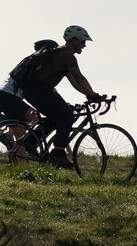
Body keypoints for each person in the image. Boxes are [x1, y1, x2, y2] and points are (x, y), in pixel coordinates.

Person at [18, 25, 100, 170]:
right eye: (82, 41)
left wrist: (90, 95)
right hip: (39, 90)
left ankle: (30, 141)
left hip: (33, 90)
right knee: (66, 115)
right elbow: (80, 78)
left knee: (57, 116)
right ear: (73, 40)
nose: (84, 45)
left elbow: (75, 82)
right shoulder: (67, 56)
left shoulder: (60, 53)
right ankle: (58, 153)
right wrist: (93, 95)